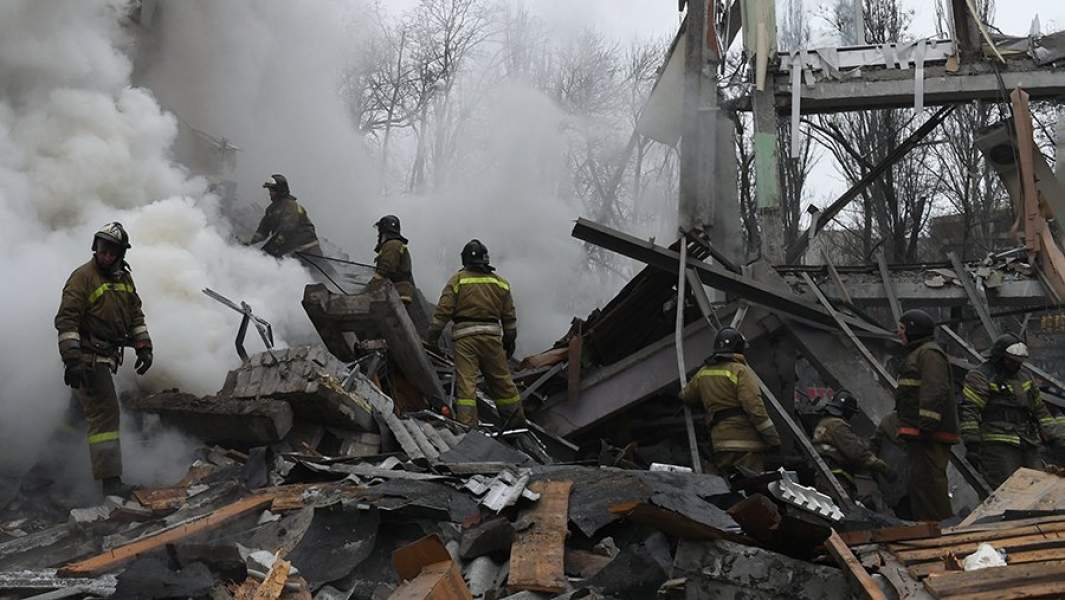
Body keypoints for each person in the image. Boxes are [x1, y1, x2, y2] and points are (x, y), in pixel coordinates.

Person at [54, 223, 153, 496]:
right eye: (101, 248)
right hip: (88, 358)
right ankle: (111, 483)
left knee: (75, 418)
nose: (105, 255)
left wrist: (144, 346)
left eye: (111, 251)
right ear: (94, 247)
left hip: (105, 355)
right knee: (106, 414)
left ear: (121, 253)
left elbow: (135, 315)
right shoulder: (83, 277)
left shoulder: (124, 279)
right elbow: (67, 320)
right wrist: (72, 360)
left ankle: (43, 473)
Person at [426, 240, 522, 427]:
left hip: (465, 341)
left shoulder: (458, 280)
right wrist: (509, 341)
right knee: (503, 383)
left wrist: (432, 338)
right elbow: (509, 317)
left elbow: (442, 312)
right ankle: (516, 424)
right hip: (492, 339)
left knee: (467, 386)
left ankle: (468, 430)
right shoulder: (500, 283)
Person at [960, 333, 1064, 489]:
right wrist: (972, 443)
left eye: (1018, 362)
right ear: (999, 357)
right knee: (1007, 489)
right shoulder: (980, 376)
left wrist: (1057, 438)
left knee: (1039, 487)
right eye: (1011, 361)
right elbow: (970, 412)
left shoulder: (1024, 376)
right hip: (997, 443)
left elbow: (1040, 410)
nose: (1016, 366)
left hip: (1027, 441)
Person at [679, 327, 781, 475]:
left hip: (720, 443)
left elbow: (686, 396)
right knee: (752, 487)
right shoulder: (740, 370)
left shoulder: (703, 372)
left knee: (729, 489)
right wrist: (773, 439)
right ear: (739, 347)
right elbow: (754, 407)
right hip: (746, 444)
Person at [894, 309, 959, 521]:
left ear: (914, 330)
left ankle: (942, 530)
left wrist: (927, 424)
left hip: (928, 433)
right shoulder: (919, 353)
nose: (898, 333)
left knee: (931, 485)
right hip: (920, 432)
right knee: (921, 484)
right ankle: (928, 527)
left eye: (902, 328)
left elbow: (935, 389)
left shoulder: (929, 353)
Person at [812, 390, 891, 506]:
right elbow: (857, 452)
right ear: (847, 411)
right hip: (835, 479)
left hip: (825, 477)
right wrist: (882, 467)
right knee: (844, 515)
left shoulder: (824, 422)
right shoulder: (837, 425)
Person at [247, 174, 323, 259]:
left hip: (308, 251)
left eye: (272, 190)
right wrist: (248, 242)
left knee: (320, 272)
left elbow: (286, 230)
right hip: (290, 254)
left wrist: (269, 249)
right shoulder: (271, 210)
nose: (270, 193)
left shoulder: (290, 206)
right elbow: (262, 232)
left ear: (279, 190)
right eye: (269, 190)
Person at [371, 215, 416, 304]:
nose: (378, 235)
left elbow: (385, 268)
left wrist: (370, 286)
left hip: (397, 294)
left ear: (384, 231)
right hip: (398, 293)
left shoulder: (392, 245)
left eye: (379, 231)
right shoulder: (395, 244)